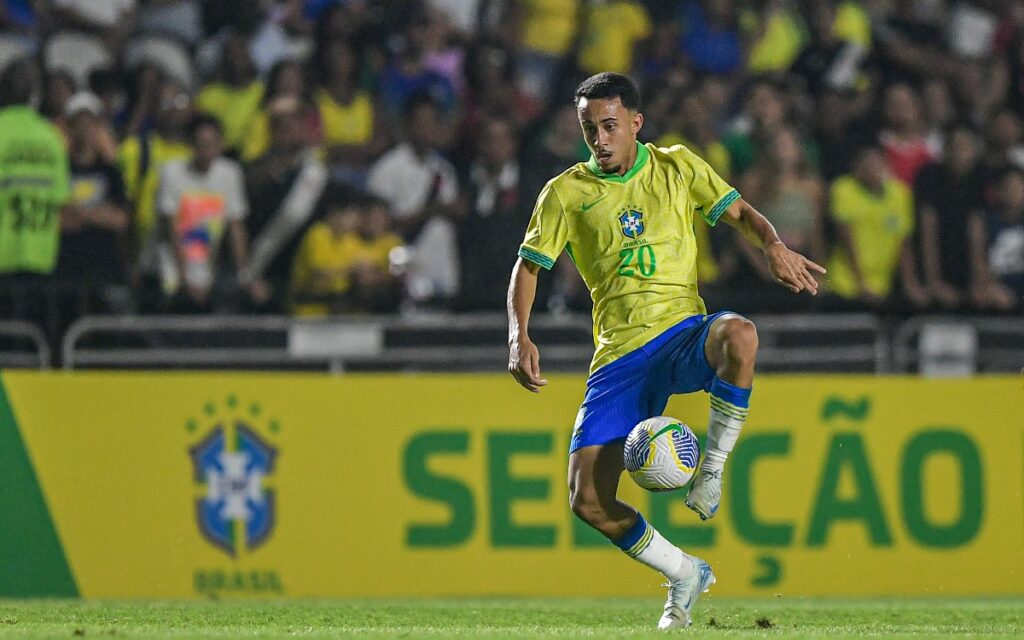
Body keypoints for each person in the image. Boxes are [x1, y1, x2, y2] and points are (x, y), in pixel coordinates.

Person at [506, 73, 823, 629]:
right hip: (620, 356)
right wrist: (519, 334)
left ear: (635, 123)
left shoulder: (678, 166)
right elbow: (529, 266)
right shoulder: (565, 193)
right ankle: (683, 572)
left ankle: (713, 470)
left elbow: (743, 213)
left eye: (609, 126)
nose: (599, 140)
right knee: (588, 501)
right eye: (588, 129)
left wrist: (773, 245)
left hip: (680, 331)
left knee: (742, 335)